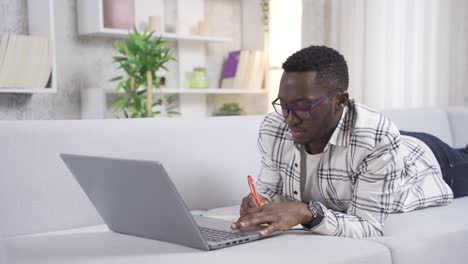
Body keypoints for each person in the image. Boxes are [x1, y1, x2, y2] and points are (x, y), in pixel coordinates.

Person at [231, 45, 468, 238]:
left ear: (340, 101)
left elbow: (369, 225)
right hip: (379, 144)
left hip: (429, 163)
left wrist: (307, 212)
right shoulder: (274, 129)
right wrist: (259, 203)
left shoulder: (378, 137)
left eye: (303, 107)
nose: (290, 119)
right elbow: (269, 192)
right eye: (284, 105)